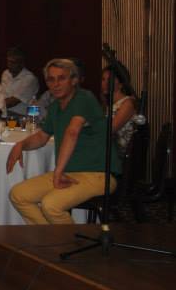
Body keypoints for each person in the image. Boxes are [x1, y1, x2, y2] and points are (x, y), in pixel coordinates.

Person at [7, 58, 118, 225]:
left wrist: (58, 171)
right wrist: (21, 145)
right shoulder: (55, 107)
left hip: (99, 174)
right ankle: (52, 238)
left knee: (51, 205)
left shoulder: (84, 98)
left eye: (61, 78)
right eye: (51, 80)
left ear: (74, 80)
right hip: (70, 173)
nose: (56, 84)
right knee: (18, 195)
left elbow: (72, 132)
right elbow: (42, 137)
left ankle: (67, 240)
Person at [101, 65, 137, 155]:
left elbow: (110, 129)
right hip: (105, 148)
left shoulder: (127, 103)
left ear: (121, 84)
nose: (105, 83)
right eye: (103, 79)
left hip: (118, 153)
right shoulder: (107, 103)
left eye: (110, 80)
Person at [1, 47, 40, 118]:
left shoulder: (30, 79)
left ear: (21, 63)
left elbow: (12, 102)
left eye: (13, 62)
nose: (9, 65)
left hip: (23, 116)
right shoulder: (5, 73)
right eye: (8, 61)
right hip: (4, 112)